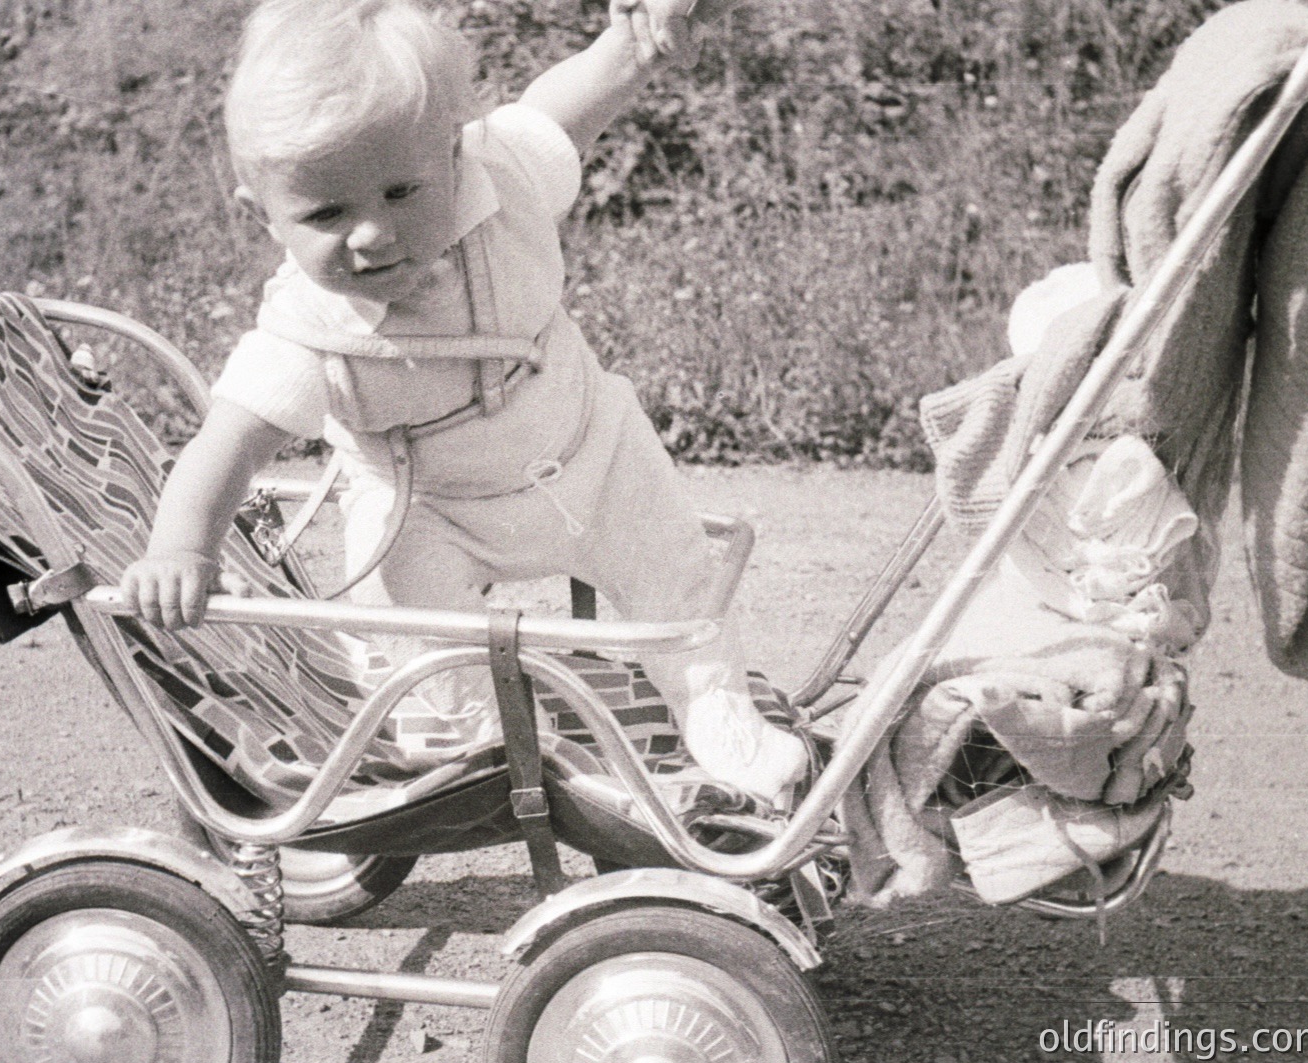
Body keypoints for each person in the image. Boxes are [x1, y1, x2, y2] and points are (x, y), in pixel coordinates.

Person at [119, 0, 807, 804]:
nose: (374, 233)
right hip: (432, 502)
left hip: (588, 449)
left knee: (675, 578)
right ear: (263, 217)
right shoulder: (307, 335)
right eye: (327, 213)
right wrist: (181, 548)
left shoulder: (501, 176)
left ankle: (712, 706)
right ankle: (467, 740)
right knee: (407, 610)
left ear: (452, 158)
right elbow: (226, 445)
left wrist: (635, 42)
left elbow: (565, 109)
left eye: (403, 190)